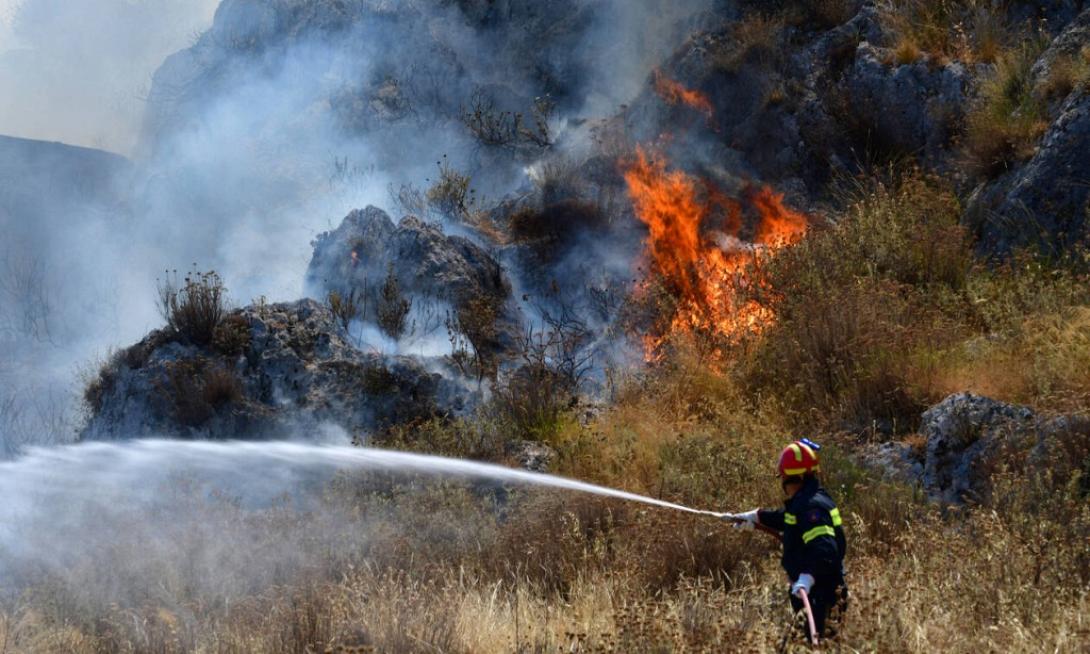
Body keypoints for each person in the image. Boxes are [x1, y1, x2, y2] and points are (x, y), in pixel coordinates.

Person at [724, 438, 848, 639]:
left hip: (821, 594)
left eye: (784, 479)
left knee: (819, 644)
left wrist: (808, 578)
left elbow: (826, 549)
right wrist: (756, 517)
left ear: (797, 478)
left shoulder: (811, 507)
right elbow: (790, 520)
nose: (783, 485)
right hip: (813, 591)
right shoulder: (808, 499)